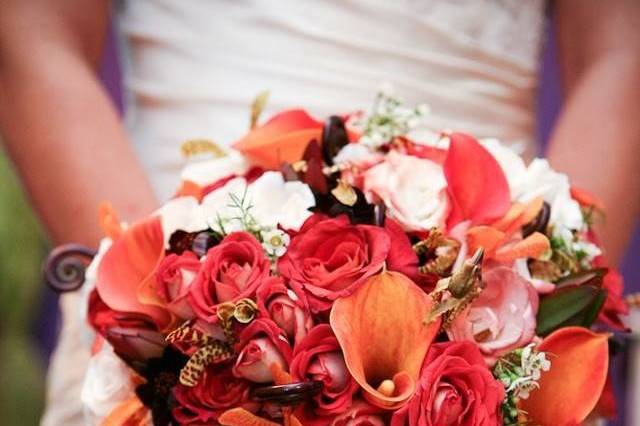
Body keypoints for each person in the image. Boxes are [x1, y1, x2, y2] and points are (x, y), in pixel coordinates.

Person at [0, 1, 639, 425]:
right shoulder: (178, 319)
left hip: (487, 258)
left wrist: (547, 278)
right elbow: (33, 35)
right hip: (177, 239)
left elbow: (622, 51)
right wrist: (168, 315)